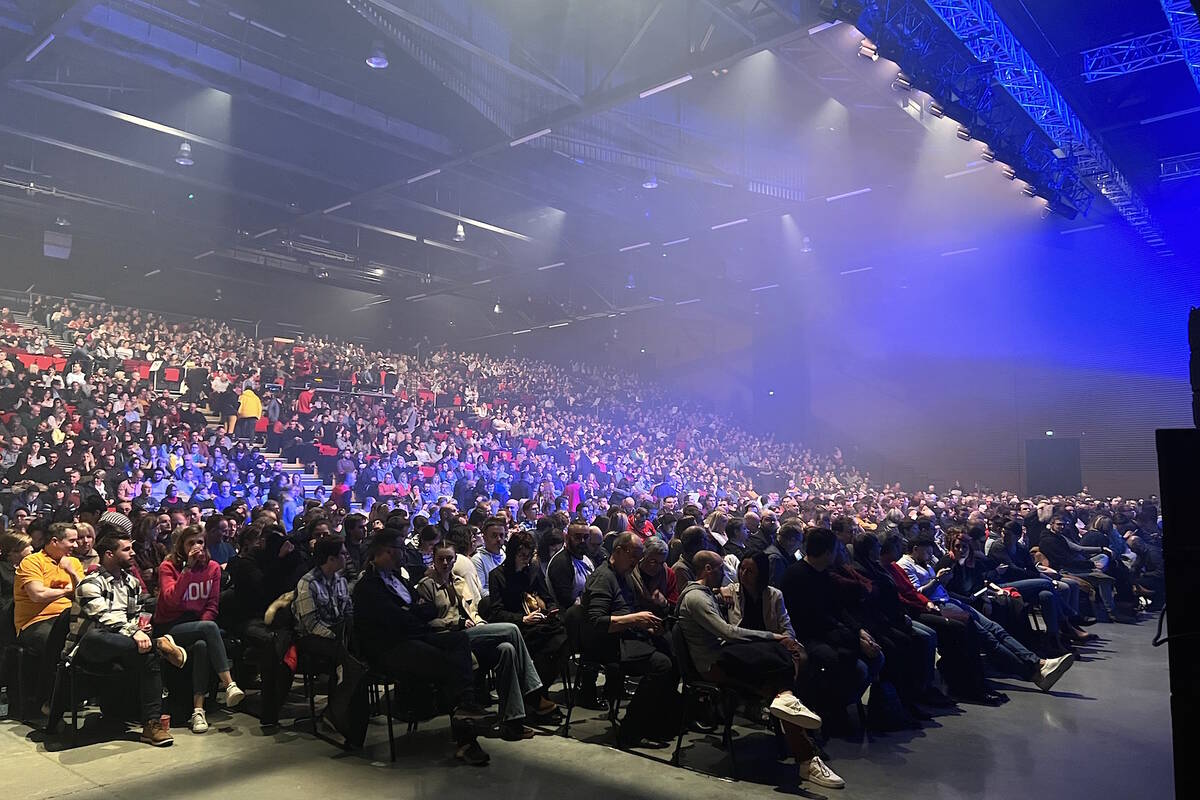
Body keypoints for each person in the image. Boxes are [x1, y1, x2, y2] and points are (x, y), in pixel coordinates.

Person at [678, 551, 842, 789]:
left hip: (733, 655)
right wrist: (773, 636)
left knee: (784, 663)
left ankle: (800, 736)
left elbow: (780, 629)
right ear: (707, 569)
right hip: (717, 663)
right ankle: (807, 756)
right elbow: (728, 633)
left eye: (749, 570)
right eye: (725, 569)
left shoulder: (763, 595)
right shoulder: (698, 598)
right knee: (777, 663)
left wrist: (779, 639)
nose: (730, 574)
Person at [351, 530, 490, 765]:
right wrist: (414, 612)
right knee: (448, 664)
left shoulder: (399, 579)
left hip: (415, 636)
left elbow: (428, 608)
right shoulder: (368, 586)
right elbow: (396, 620)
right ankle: (466, 737)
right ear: (385, 551)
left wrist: (413, 612)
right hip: (389, 649)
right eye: (399, 549)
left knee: (458, 640)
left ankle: (465, 707)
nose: (403, 554)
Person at [898, 533, 1075, 693]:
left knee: (996, 628)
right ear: (916, 549)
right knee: (987, 636)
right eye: (928, 552)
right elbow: (917, 594)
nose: (930, 556)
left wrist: (985, 597)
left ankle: (1038, 662)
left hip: (955, 601)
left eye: (964, 547)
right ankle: (1034, 671)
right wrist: (938, 580)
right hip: (940, 606)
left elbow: (979, 581)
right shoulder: (912, 565)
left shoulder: (929, 564)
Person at [61, 531, 189, 746]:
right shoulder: (89, 584)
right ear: (109, 554)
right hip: (89, 650)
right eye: (127, 549)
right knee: (97, 635)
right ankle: (160, 644)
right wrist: (134, 633)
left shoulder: (131, 583)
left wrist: (141, 629)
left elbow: (135, 616)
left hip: (125, 646)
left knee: (148, 655)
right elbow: (103, 617)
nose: (133, 553)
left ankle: (151, 725)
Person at [417, 541, 543, 740]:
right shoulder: (426, 586)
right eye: (440, 558)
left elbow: (473, 611)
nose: (445, 562)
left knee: (507, 649)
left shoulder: (459, 581)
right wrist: (456, 622)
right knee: (511, 629)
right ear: (433, 559)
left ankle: (512, 721)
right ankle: (533, 691)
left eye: (449, 558)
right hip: (449, 638)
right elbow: (426, 622)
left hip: (472, 632)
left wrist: (479, 622)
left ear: (455, 559)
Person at [579, 532, 678, 749]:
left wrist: (644, 623)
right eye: (633, 555)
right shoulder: (604, 577)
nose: (636, 561)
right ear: (619, 551)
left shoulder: (623, 574)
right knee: (661, 665)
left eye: (638, 557)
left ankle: (656, 722)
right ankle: (631, 730)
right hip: (607, 643)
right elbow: (597, 621)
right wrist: (635, 619)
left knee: (672, 649)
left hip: (625, 636)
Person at [153, 524, 245, 733]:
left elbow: (212, 604)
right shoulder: (169, 567)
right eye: (191, 543)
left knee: (203, 644)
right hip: (170, 626)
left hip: (196, 625)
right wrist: (187, 570)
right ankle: (229, 683)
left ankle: (198, 710)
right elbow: (170, 601)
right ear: (182, 546)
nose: (196, 547)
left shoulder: (212, 568)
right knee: (209, 629)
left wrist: (203, 624)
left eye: (200, 542)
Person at [483, 529, 566, 718]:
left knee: (562, 640)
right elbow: (496, 612)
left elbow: (548, 597)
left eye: (529, 556)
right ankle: (535, 697)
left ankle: (535, 695)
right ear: (513, 553)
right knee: (545, 647)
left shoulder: (532, 572)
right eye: (522, 555)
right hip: (518, 626)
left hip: (539, 623)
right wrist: (523, 619)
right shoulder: (498, 575)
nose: (526, 560)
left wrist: (550, 610)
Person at [13, 522, 82, 711]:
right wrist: (68, 590)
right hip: (36, 622)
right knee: (60, 642)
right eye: (72, 541)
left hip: (69, 618)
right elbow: (37, 595)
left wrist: (72, 574)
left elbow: (83, 594)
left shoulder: (73, 563)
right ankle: (50, 700)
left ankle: (77, 695)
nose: (76, 545)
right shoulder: (32, 562)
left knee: (93, 641)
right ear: (54, 541)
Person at [292, 536, 353, 659]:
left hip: (338, 630)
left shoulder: (341, 580)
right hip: (313, 637)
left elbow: (349, 612)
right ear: (331, 559)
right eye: (343, 553)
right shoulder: (308, 583)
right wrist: (336, 637)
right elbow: (311, 625)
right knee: (340, 651)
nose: (347, 556)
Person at [628, 535, 678, 617]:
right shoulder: (629, 571)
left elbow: (674, 608)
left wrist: (664, 603)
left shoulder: (668, 574)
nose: (657, 567)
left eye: (661, 563)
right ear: (643, 556)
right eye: (653, 561)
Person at [547, 523, 594, 608]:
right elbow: (566, 602)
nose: (582, 541)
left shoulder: (586, 558)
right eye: (578, 537)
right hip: (570, 618)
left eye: (586, 537)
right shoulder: (561, 563)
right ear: (567, 538)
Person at [470, 516, 506, 598]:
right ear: (484, 538)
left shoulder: (505, 554)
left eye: (501, 535)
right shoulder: (478, 559)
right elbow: (481, 590)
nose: (499, 539)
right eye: (494, 536)